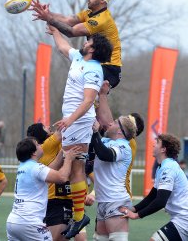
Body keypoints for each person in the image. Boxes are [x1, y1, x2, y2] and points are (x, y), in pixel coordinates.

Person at [47, 23, 112, 239]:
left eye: (89, 41)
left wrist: (69, 120)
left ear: (92, 48)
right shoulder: (78, 58)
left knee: (75, 166)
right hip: (74, 122)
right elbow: (63, 47)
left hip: (79, 121)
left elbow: (88, 100)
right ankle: (79, 217)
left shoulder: (93, 68)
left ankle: (79, 217)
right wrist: (54, 28)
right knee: (76, 166)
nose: (85, 42)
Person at [31, 0, 122, 89]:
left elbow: (71, 32)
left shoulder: (101, 20)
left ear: (102, 0)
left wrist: (49, 19)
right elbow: (67, 20)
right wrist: (47, 13)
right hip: (96, 63)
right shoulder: (89, 13)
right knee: (88, 99)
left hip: (109, 68)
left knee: (84, 95)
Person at [120, 133, 188, 241]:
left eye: (157, 143)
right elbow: (152, 196)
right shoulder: (162, 167)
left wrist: (136, 215)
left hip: (187, 220)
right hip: (186, 219)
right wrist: (133, 209)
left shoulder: (168, 168)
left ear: (163, 149)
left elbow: (160, 201)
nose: (154, 145)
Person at [6, 137, 80, 241]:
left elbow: (49, 170)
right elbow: (62, 177)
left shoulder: (24, 166)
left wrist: (62, 151)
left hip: (13, 222)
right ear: (33, 153)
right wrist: (68, 159)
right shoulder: (36, 168)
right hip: (29, 222)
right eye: (37, 144)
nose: (41, 145)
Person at [27, 123, 91, 241]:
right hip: (56, 200)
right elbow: (63, 130)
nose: (49, 128)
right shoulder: (48, 144)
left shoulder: (51, 147)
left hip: (68, 200)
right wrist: (81, 119)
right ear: (40, 134)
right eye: (45, 127)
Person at [90, 115, 138, 241]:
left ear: (120, 131)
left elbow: (105, 155)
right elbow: (94, 146)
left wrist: (95, 132)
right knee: (99, 239)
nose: (111, 122)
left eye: (116, 122)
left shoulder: (124, 146)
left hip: (116, 200)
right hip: (103, 201)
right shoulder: (107, 141)